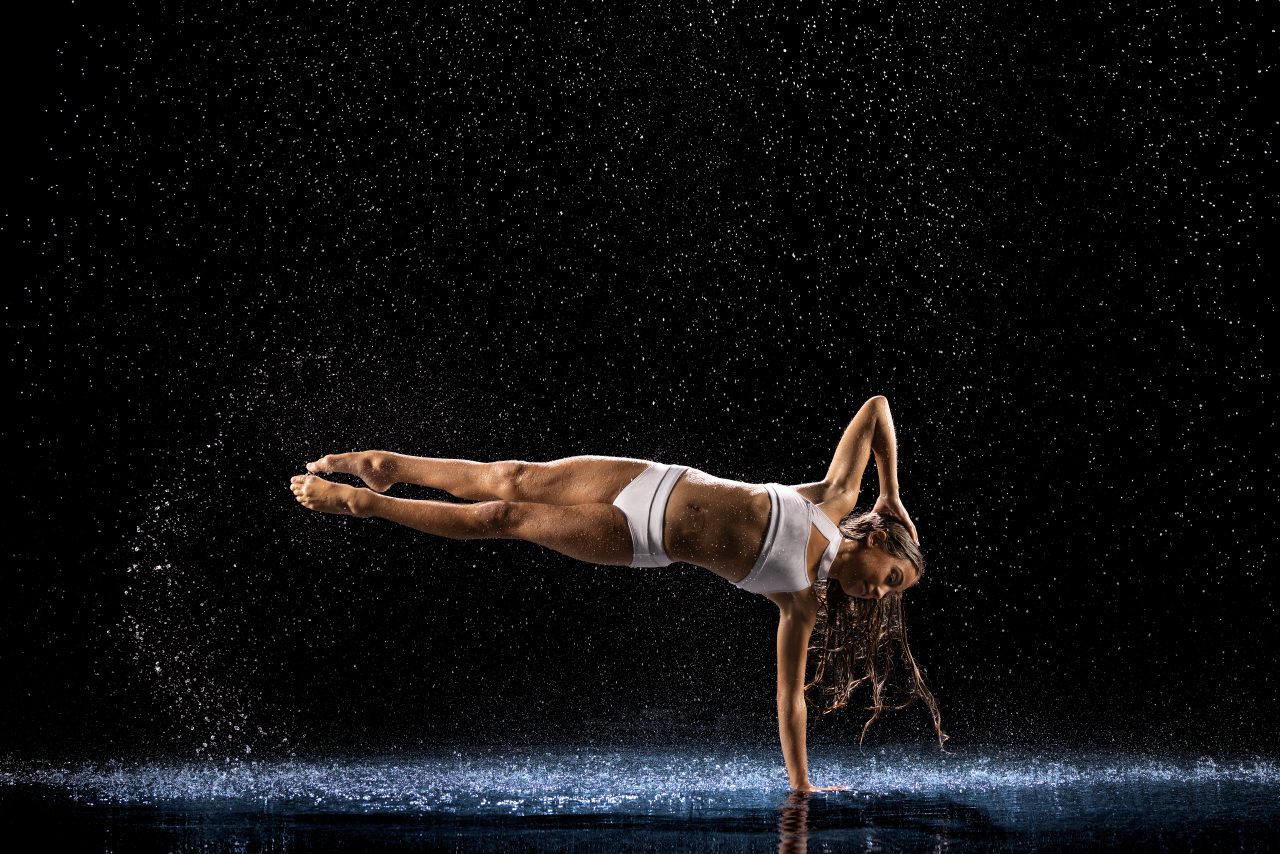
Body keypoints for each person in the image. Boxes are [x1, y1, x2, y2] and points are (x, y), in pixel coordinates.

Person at [290, 395, 945, 792]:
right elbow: (877, 410)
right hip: (652, 479)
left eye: (890, 595)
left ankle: (369, 504)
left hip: (638, 536)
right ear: (881, 539)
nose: (878, 594)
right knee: (512, 476)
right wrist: (891, 492)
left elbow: (789, 698)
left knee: (502, 517)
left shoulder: (799, 599)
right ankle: (389, 467)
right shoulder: (836, 497)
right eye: (893, 578)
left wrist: (800, 784)